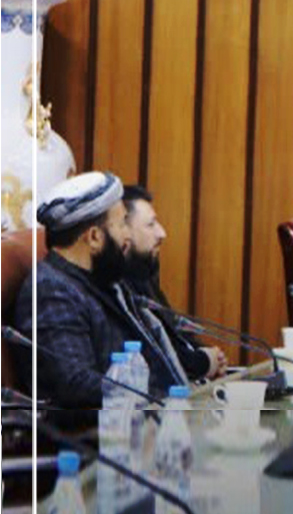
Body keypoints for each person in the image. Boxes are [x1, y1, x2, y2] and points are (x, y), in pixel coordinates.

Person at [14, 172, 194, 410]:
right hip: (101, 429)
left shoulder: (103, 278)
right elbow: (76, 385)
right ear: (94, 238)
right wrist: (155, 400)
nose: (128, 235)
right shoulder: (51, 292)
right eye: (122, 224)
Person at [118, 184, 226, 380]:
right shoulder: (119, 286)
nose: (162, 233)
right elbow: (155, 356)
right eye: (151, 225)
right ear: (123, 232)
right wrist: (203, 362)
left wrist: (209, 356)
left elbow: (175, 334)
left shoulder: (143, 274)